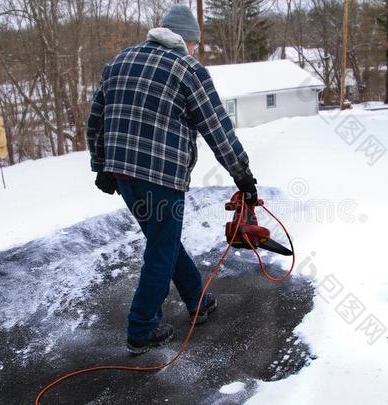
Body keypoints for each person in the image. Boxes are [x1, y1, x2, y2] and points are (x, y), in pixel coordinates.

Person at [86, 4, 257, 355]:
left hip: (122, 173)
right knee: (161, 246)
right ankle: (141, 327)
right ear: (186, 40)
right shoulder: (188, 69)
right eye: (194, 44)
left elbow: (96, 117)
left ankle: (198, 301)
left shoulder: (120, 61)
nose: (194, 50)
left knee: (164, 241)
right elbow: (217, 129)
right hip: (161, 175)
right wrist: (243, 175)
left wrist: (100, 165)